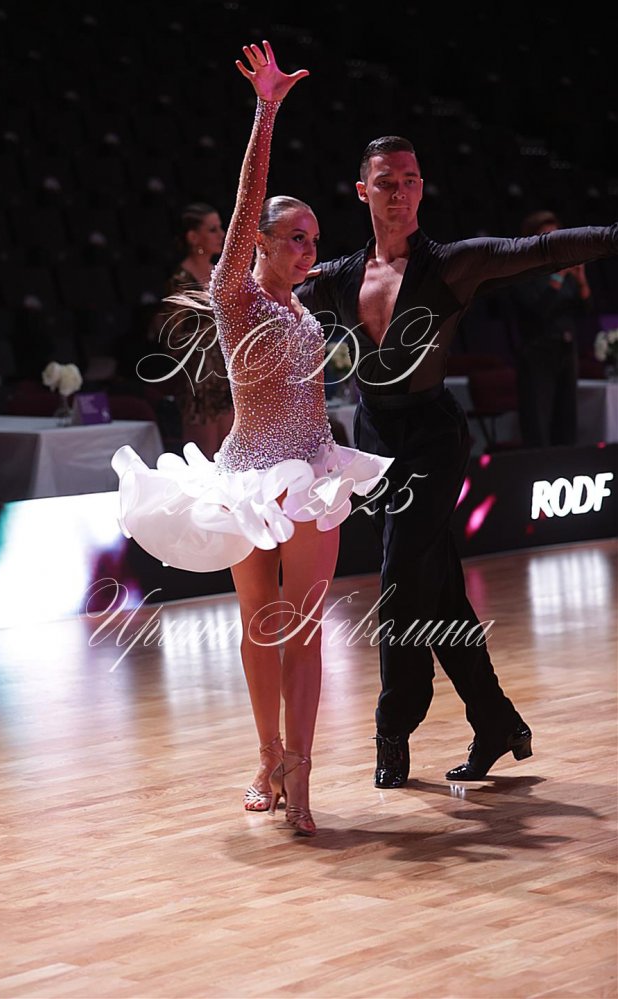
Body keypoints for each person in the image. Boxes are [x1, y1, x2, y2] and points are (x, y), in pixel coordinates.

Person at [111, 43, 392, 835]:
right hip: (246, 480)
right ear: (259, 244)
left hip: (311, 475)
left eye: (313, 239)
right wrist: (266, 111)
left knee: (306, 631)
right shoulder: (235, 296)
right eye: (294, 237)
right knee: (259, 627)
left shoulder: (304, 309)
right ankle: (267, 754)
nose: (307, 250)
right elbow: (244, 204)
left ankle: (300, 770)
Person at [295, 135, 618, 786]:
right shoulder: (337, 278)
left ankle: (394, 726)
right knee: (436, 587)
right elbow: (268, 294)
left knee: (400, 576)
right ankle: (496, 720)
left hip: (435, 437)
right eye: (386, 181)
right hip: (375, 441)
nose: (401, 192)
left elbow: (541, 250)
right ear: (362, 191)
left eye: (411, 179)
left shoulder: (452, 265)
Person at [146, 203, 234, 459]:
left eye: (220, 228)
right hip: (200, 382)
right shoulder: (181, 280)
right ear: (193, 237)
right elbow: (172, 337)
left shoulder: (219, 273)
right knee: (205, 461)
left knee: (231, 457)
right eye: (212, 229)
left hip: (226, 377)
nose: (221, 234)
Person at [511, 210, 591, 448]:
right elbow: (538, 311)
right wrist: (557, 278)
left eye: (557, 235)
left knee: (566, 416)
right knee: (538, 418)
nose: (554, 241)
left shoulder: (564, 271)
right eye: (547, 236)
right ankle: (538, 465)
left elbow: (586, 309)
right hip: (538, 351)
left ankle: (565, 463)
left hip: (565, 348)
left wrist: (581, 280)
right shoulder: (523, 271)